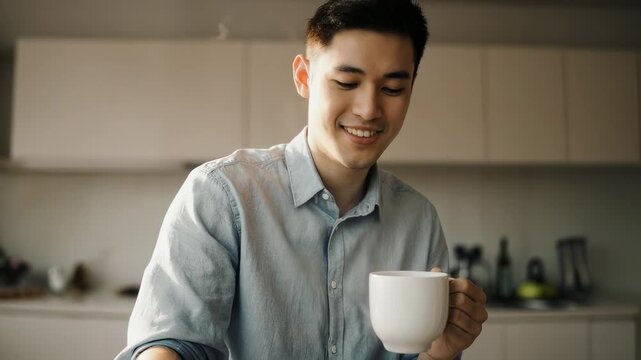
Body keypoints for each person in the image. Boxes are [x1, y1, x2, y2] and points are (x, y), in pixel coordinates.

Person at [115, 0, 488, 359]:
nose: (369, 109)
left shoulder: (419, 222)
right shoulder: (221, 194)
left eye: (392, 89)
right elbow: (173, 343)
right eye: (346, 82)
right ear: (304, 77)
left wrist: (439, 355)